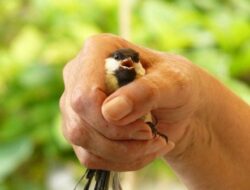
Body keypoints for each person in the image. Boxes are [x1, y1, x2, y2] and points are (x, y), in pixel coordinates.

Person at [59, 34, 250, 190]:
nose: (128, 62)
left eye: (134, 59)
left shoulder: (142, 79)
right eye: (118, 58)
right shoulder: (105, 80)